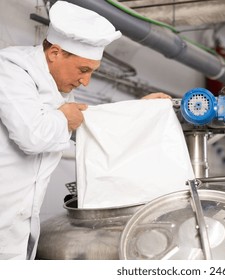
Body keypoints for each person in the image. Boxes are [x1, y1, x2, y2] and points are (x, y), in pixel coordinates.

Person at [0, 1, 169, 260]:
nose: (85, 81)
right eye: (83, 70)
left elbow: (86, 124)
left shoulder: (58, 88)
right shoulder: (10, 70)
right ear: (55, 53)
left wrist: (140, 110)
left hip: (17, 226)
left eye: (92, 72)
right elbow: (32, 135)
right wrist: (64, 116)